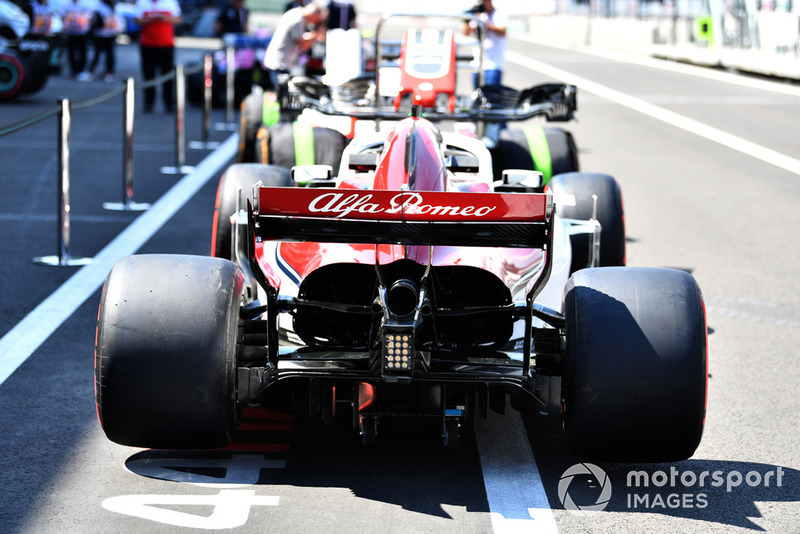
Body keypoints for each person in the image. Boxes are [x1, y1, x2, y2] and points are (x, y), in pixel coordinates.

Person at [262, 0, 327, 86]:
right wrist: (316, 34)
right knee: (283, 95)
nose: (314, 23)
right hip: (280, 62)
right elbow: (303, 44)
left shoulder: (296, 14)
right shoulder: (298, 19)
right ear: (314, 14)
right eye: (317, 20)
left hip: (282, 62)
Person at [134, 0, 182, 112]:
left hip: (166, 44)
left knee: (167, 75)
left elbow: (179, 19)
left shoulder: (170, 2)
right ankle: (149, 103)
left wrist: (164, 19)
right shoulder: (142, 2)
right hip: (147, 44)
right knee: (148, 74)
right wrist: (150, 19)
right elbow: (136, 20)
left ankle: (169, 103)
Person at [463, 0, 508, 88]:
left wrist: (486, 24)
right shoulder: (478, 16)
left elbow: (503, 31)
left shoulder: (499, 14)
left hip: (493, 64)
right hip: (477, 63)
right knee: (477, 94)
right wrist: (469, 18)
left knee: (492, 94)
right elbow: (466, 32)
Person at [61, 0, 96, 81]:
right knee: (71, 52)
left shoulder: (85, 4)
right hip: (71, 32)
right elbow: (63, 16)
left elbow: (90, 16)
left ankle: (82, 69)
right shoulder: (67, 4)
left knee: (82, 51)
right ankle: (74, 70)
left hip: (82, 32)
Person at [89, 0, 121, 82]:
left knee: (109, 54)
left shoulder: (112, 7)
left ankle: (109, 72)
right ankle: (91, 71)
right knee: (98, 54)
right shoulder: (98, 6)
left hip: (109, 34)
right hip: (99, 34)